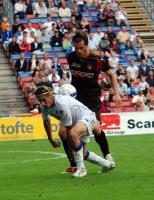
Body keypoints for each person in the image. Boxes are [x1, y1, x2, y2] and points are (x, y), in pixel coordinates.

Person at [65, 31, 121, 172]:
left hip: (92, 100)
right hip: (76, 100)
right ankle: (73, 164)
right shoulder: (70, 58)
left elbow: (112, 75)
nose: (78, 51)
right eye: (75, 48)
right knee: (65, 132)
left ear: (86, 45)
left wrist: (117, 94)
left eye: (81, 48)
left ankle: (107, 156)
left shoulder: (96, 61)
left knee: (96, 129)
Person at [34, 86, 112, 177]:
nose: (42, 103)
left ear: (50, 95)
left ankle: (81, 169)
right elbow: (46, 121)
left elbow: (69, 129)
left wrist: (71, 151)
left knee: (73, 134)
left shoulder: (61, 103)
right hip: (78, 122)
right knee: (82, 153)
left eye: (44, 100)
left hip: (87, 117)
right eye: (40, 101)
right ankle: (106, 164)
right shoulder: (44, 107)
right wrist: (51, 139)